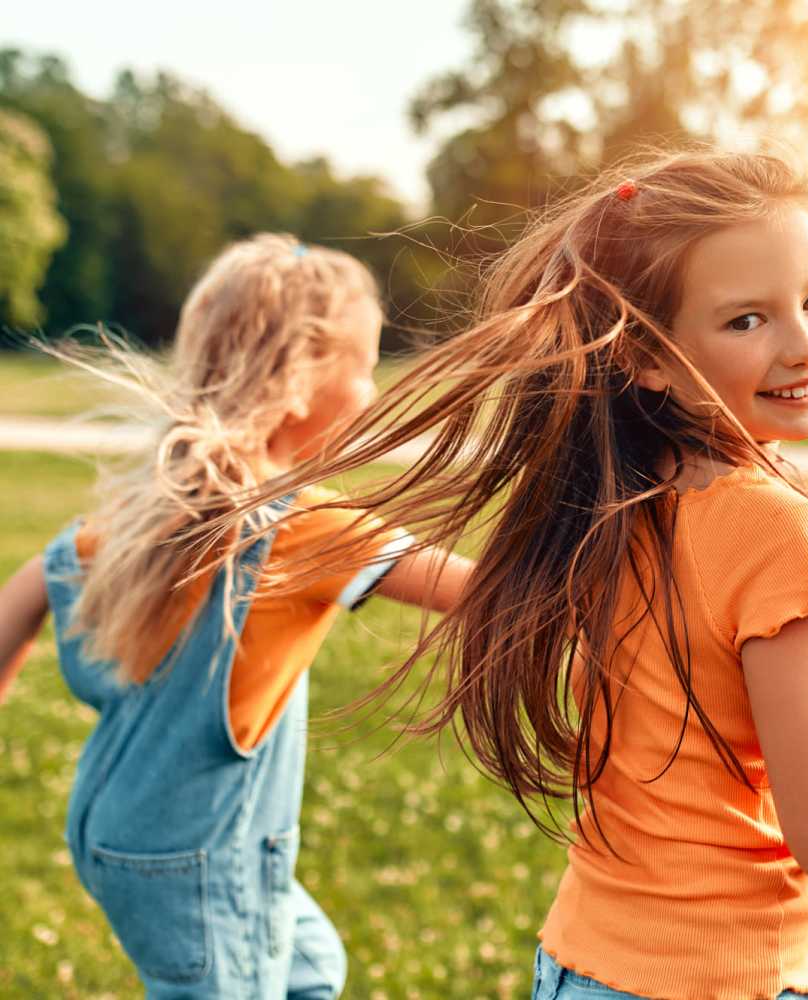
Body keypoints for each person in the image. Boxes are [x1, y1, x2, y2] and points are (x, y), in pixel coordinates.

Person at [213, 150, 808, 999]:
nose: (805, 344)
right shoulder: (773, 529)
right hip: (719, 980)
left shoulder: (611, 493)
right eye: (746, 321)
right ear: (650, 359)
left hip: (580, 963)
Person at [0, 233, 471, 999]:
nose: (372, 395)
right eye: (363, 369)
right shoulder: (302, 527)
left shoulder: (143, 517)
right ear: (299, 382)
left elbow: (30, 585)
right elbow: (484, 592)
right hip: (202, 860)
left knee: (309, 969)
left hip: (120, 837)